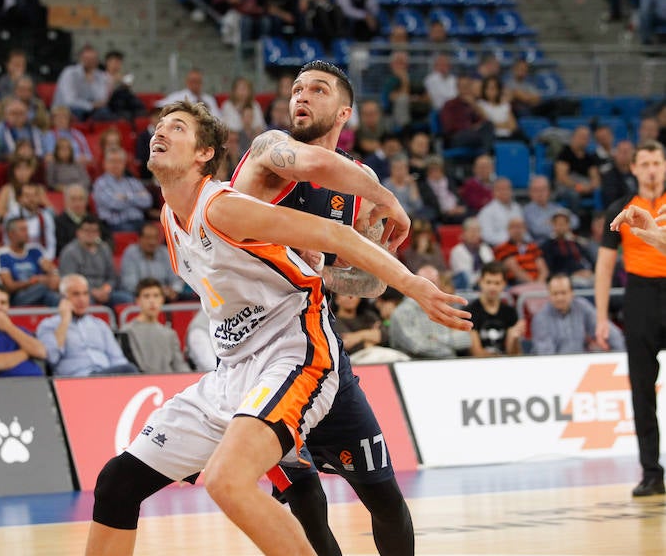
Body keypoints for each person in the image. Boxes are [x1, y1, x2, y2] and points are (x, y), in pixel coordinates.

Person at [85, 100, 470, 556]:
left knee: (230, 481)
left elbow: (336, 236)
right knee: (115, 484)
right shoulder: (171, 219)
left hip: (297, 354)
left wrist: (414, 285)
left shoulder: (223, 209)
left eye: (177, 127)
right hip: (233, 370)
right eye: (159, 126)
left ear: (204, 153)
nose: (160, 132)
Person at [228, 60, 423, 555]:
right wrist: (388, 197)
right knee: (304, 498)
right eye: (296, 88)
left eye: (317, 89)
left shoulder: (357, 182)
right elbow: (312, 166)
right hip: (254, 357)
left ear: (344, 112)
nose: (302, 96)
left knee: (385, 497)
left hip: (319, 351)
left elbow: (371, 283)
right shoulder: (270, 149)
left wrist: (324, 271)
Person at [595, 139, 666, 498]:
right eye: (646, 163)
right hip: (639, 296)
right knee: (642, 390)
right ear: (634, 168)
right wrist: (602, 316)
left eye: (657, 162)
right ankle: (652, 472)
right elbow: (605, 267)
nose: (652, 169)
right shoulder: (621, 208)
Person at [37, 274, 139, 377]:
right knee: (130, 369)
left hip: (105, 375)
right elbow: (52, 358)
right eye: (76, 294)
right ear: (63, 298)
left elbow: (117, 358)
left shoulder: (99, 325)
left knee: (131, 371)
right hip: (75, 380)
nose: (82, 299)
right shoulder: (48, 325)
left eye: (85, 294)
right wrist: (64, 320)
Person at [389, 265, 474, 359]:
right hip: (416, 367)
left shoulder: (442, 308)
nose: (430, 287)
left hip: (448, 364)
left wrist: (436, 339)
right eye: (426, 282)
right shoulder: (403, 313)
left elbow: (467, 340)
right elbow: (418, 347)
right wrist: (451, 345)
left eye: (434, 283)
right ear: (415, 284)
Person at [533, 274, 625, 356]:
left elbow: (608, 331)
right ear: (549, 295)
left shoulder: (581, 306)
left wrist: (621, 353)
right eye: (555, 294)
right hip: (555, 367)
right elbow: (545, 354)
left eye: (563, 293)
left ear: (571, 293)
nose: (559, 298)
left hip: (581, 361)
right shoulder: (541, 317)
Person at [58, 215, 132, 307]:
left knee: (126, 299)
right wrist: (92, 291)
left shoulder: (105, 249)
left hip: (105, 292)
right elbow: (69, 280)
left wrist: (106, 289)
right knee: (86, 301)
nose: (90, 234)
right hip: (82, 293)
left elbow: (112, 277)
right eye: (86, 230)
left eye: (94, 231)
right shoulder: (70, 252)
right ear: (78, 232)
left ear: (99, 234)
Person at [121, 278, 190, 374]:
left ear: (162, 299)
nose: (152, 301)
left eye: (156, 296)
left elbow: (180, 366)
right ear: (138, 301)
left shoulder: (170, 334)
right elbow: (136, 368)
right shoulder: (127, 331)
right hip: (144, 385)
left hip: (171, 383)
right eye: (146, 296)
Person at [0, 216, 59, 307]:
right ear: (11, 234)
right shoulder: (2, 255)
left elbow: (52, 271)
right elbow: (9, 286)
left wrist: (50, 277)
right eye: (22, 230)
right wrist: (33, 281)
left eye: (27, 229)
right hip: (18, 298)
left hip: (42, 292)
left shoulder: (35, 250)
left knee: (54, 297)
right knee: (43, 288)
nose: (27, 233)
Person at [465, 261, 525, 356]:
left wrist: (514, 338)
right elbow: (476, 353)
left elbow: (514, 354)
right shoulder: (469, 311)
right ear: (480, 282)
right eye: (488, 282)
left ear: (504, 284)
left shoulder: (510, 312)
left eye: (497, 283)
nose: (492, 287)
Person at [118, 221, 187, 301]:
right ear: (139, 239)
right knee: (127, 298)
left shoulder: (164, 252)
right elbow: (130, 284)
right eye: (148, 238)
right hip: (140, 295)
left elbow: (176, 278)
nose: (152, 242)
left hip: (165, 295)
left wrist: (174, 290)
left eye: (155, 238)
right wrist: (157, 292)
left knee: (190, 296)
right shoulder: (131, 253)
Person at [92, 147, 153, 233]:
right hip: (115, 226)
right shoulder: (100, 184)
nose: (116, 165)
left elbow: (147, 201)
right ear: (104, 163)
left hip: (140, 222)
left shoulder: (133, 182)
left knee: (155, 231)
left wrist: (125, 197)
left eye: (119, 161)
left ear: (124, 164)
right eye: (112, 161)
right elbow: (115, 204)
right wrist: (136, 197)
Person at [52, 44, 111, 121]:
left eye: (93, 59)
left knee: (105, 112)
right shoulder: (70, 73)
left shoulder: (100, 75)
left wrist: (92, 81)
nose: (91, 62)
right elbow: (69, 101)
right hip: (66, 109)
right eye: (87, 59)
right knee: (77, 111)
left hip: (90, 109)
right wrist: (91, 105)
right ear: (81, 59)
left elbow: (101, 99)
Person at [541, 209, 595, 287]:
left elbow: (589, 259)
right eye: (558, 224)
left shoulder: (575, 242)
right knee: (581, 284)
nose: (561, 227)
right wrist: (572, 274)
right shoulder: (548, 245)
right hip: (564, 278)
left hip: (583, 274)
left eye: (564, 224)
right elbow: (551, 269)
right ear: (553, 225)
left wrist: (590, 271)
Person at [494, 216, 549, 286]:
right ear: (508, 229)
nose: (517, 230)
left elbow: (543, 269)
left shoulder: (533, 247)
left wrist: (539, 283)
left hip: (538, 283)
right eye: (513, 227)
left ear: (525, 229)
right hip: (515, 284)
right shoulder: (502, 248)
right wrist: (533, 285)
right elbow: (515, 270)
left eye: (520, 227)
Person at [523, 175, 578, 243]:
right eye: (536, 190)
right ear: (530, 192)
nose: (540, 193)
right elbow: (537, 229)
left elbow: (575, 221)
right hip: (542, 246)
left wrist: (551, 223)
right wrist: (562, 225)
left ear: (549, 191)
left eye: (543, 189)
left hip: (562, 243)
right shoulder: (527, 211)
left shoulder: (555, 207)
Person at [449, 216, 495, 290]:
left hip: (486, 284)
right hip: (465, 287)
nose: (474, 234)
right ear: (463, 233)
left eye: (477, 231)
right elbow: (465, 277)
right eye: (471, 231)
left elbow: (492, 269)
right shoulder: (457, 251)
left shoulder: (486, 249)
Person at [154, 67, 221, 119]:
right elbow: (157, 106)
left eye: (198, 81)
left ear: (202, 83)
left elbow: (218, 118)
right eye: (193, 81)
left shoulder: (209, 99)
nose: (195, 84)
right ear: (187, 82)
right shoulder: (178, 96)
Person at [477, 177, 524, 247]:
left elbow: (523, 230)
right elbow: (486, 236)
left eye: (507, 189)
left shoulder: (517, 208)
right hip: (498, 248)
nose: (505, 192)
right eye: (501, 189)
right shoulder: (486, 212)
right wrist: (510, 240)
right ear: (493, 192)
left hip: (519, 246)